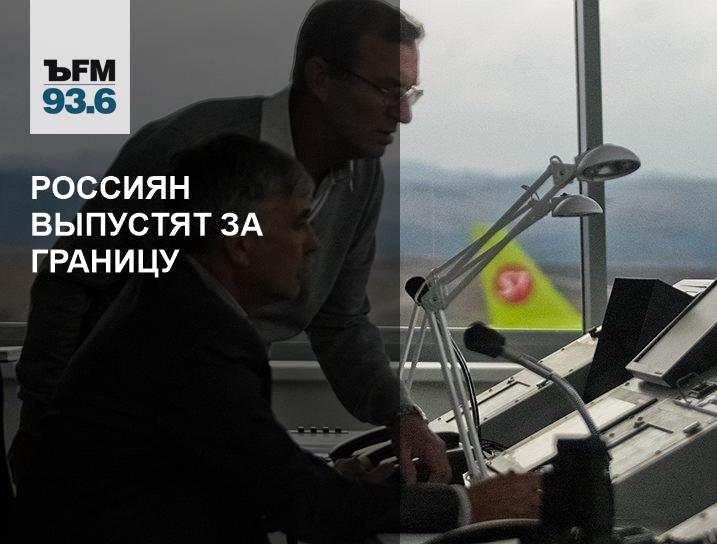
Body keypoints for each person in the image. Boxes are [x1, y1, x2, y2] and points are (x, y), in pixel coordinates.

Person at [17, 135, 542, 544]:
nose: (313, 243)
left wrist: (335, 482)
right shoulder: (195, 338)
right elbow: (304, 506)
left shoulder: (175, 305)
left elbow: (243, 469)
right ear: (240, 241)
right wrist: (472, 506)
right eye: (298, 222)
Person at [12, 0, 447, 485]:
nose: (403, 114)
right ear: (321, 78)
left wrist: (401, 415)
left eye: (409, 93)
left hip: (212, 425)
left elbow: (339, 322)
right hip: (114, 430)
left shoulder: (361, 179)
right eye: (386, 89)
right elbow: (70, 281)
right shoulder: (188, 146)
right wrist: (45, 431)